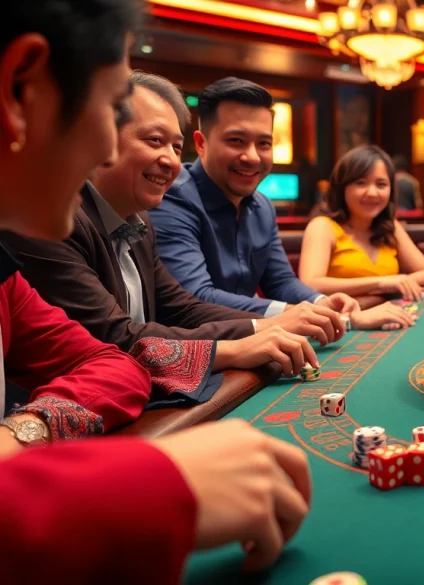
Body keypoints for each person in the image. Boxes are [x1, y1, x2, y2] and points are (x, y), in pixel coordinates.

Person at [0, 1, 311, 582]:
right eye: (110, 106)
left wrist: (20, 434)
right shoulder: (39, 233)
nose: (106, 151)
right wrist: (151, 483)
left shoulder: (7, 281)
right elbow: (123, 342)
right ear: (22, 90)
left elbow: (116, 364)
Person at [1, 71, 346, 379]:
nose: (170, 160)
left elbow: (181, 307)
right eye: (155, 140)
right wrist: (243, 342)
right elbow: (114, 337)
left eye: (176, 147)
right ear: (103, 138)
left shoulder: (140, 220)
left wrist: (269, 324)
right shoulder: (56, 219)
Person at [149, 77, 354, 317]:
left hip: (255, 334)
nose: (253, 157)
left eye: (264, 143)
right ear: (201, 144)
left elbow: (280, 281)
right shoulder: (172, 198)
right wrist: (293, 312)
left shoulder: (263, 207)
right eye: (236, 141)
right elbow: (196, 298)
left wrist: (320, 302)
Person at [298, 145, 424, 327]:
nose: (372, 192)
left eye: (381, 184)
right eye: (361, 183)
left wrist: (396, 285)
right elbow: (310, 284)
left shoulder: (391, 227)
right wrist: (382, 284)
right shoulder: (323, 226)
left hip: (387, 318)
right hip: (338, 325)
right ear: (342, 187)